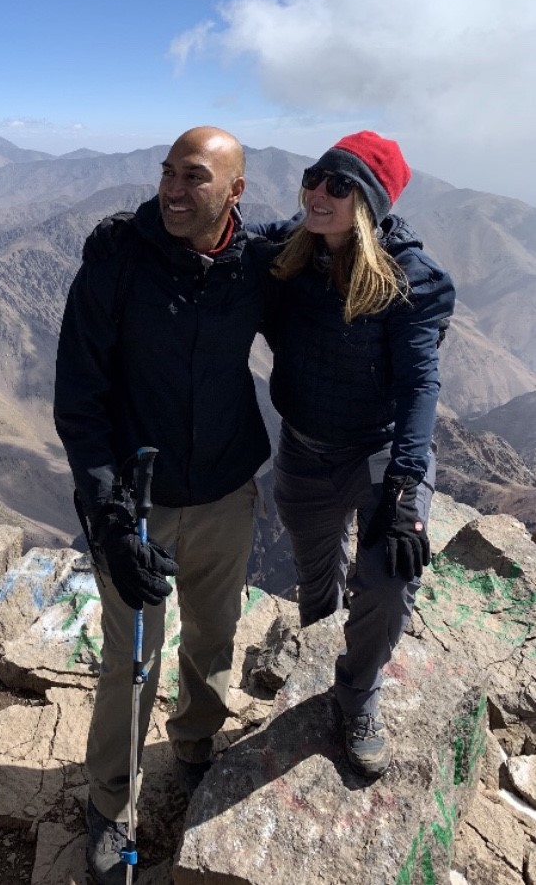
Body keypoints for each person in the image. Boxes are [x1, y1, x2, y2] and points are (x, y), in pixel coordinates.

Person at [53, 126, 270, 885]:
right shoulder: (117, 262)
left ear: (234, 191)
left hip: (227, 492)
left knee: (214, 634)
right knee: (131, 662)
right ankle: (112, 807)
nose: (174, 190)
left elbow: (335, 293)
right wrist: (111, 522)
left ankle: (197, 744)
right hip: (138, 507)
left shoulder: (256, 263)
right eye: (167, 173)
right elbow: (79, 404)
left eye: (195, 177)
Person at [259, 131, 456, 778]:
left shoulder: (410, 281)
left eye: (339, 186)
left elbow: (421, 383)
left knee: (391, 576)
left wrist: (404, 492)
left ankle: (357, 694)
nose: (318, 193)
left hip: (378, 455)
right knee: (317, 590)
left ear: (368, 203)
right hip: (305, 452)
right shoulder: (287, 254)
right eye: (315, 177)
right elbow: (213, 248)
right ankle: (322, 651)